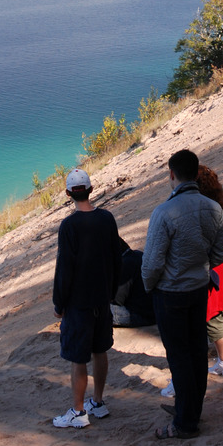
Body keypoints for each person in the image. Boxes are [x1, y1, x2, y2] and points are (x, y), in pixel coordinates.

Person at [142, 149, 223, 440]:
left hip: (171, 293)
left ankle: (184, 423)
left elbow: (152, 263)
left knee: (179, 356)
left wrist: (149, 285)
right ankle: (189, 410)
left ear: (172, 175)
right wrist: (199, 267)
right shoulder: (213, 208)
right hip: (198, 289)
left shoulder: (164, 212)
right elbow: (220, 252)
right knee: (195, 352)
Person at [52, 168, 121, 428]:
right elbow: (117, 257)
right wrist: (111, 292)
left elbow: (64, 268)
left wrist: (59, 303)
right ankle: (98, 402)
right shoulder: (107, 218)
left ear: (69, 193)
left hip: (79, 303)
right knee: (100, 350)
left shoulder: (69, 226)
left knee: (78, 357)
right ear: (91, 190)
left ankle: (78, 412)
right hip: (102, 299)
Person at [159, 164, 223, 398]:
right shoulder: (221, 208)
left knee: (189, 330)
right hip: (221, 267)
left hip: (201, 271)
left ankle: (181, 381)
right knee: (217, 317)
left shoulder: (195, 212)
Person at [111, 237, 156, 328]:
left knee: (94, 308)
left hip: (138, 315)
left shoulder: (124, 266)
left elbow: (117, 300)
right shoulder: (138, 255)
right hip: (153, 310)